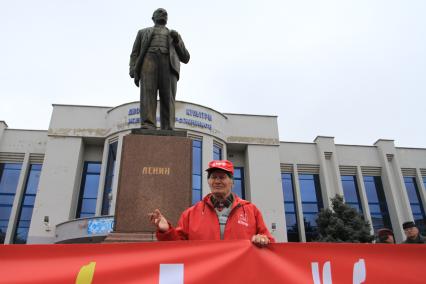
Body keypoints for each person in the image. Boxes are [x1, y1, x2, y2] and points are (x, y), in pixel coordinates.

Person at [149, 160, 275, 246]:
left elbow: (269, 240)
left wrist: (263, 239)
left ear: (232, 182)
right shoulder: (190, 214)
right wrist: (166, 231)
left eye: (222, 177)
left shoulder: (251, 211)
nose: (217, 181)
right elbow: (178, 247)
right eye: (214, 177)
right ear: (208, 181)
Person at [129, 8, 190, 130]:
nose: (164, 14)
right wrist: (132, 68)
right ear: (153, 17)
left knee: (168, 96)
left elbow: (186, 57)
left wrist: (177, 40)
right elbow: (134, 53)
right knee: (148, 94)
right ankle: (148, 124)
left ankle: (168, 127)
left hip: (168, 64)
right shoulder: (142, 32)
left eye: (166, 13)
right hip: (148, 62)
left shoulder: (174, 35)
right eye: (160, 12)